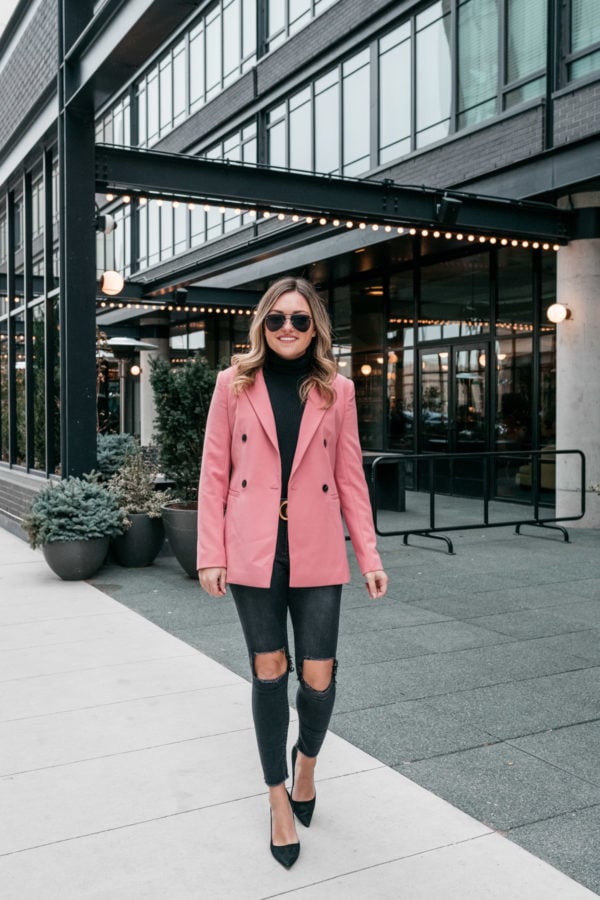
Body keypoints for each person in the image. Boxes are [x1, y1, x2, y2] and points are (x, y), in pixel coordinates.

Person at [197, 276, 388, 869]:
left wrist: (370, 555)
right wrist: (211, 552)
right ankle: (278, 794)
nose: (287, 328)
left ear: (314, 328)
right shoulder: (234, 384)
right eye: (277, 319)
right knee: (269, 669)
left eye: (299, 320)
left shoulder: (338, 390)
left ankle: (307, 760)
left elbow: (352, 477)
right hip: (252, 549)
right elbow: (214, 473)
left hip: (317, 547)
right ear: (262, 324)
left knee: (319, 675)